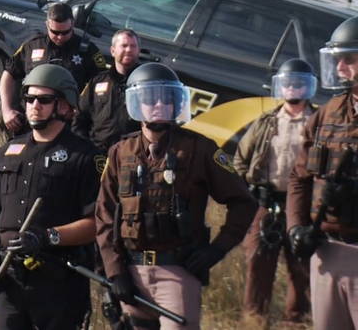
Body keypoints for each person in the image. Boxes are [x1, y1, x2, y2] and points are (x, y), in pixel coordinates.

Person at [96, 62, 255, 329]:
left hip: (178, 271)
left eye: (165, 98)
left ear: (175, 103)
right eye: (150, 98)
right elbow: (104, 216)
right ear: (136, 104)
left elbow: (243, 202)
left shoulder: (201, 149)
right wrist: (114, 272)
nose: (158, 104)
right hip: (130, 274)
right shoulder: (119, 152)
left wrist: (217, 249)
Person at [0, 64, 104, 329]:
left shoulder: (87, 157)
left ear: (65, 106)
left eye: (44, 100)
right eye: (29, 99)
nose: (34, 105)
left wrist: (45, 236)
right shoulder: (7, 152)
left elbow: (97, 223)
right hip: (9, 281)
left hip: (59, 285)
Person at [233, 58, 316, 324]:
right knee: (258, 262)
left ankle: (296, 321)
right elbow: (239, 160)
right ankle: (255, 321)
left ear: (308, 88)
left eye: (299, 84)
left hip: (303, 208)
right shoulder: (266, 122)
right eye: (289, 83)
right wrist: (249, 188)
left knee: (302, 268)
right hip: (266, 204)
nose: (293, 89)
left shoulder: (317, 121)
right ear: (281, 87)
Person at [287, 16, 358, 328]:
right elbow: (299, 177)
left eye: (349, 60)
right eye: (338, 60)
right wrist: (295, 228)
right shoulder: (327, 113)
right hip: (327, 250)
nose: (341, 69)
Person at [1, 2, 106, 136]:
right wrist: (6, 110)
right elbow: (9, 73)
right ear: (47, 25)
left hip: (69, 125)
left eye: (65, 32)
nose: (60, 37)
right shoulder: (32, 46)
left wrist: (82, 110)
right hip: (33, 121)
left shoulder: (88, 51)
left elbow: (102, 85)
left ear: (72, 24)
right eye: (55, 32)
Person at [74, 28, 142, 151]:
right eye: (124, 46)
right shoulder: (97, 81)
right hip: (98, 153)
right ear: (112, 51)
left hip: (133, 154)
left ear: (138, 51)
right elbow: (80, 119)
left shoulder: (147, 82)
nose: (129, 50)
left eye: (133, 46)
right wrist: (85, 148)